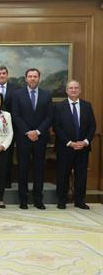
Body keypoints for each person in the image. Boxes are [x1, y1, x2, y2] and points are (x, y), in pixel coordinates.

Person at [12, 68, 53, 210]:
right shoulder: (17, 95)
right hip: (23, 138)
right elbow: (15, 115)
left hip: (40, 138)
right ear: (26, 79)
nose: (32, 79)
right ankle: (23, 199)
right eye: (30, 76)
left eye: (35, 76)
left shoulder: (46, 95)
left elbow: (49, 117)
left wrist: (37, 131)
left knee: (39, 169)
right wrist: (28, 132)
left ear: (39, 78)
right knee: (22, 169)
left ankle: (38, 199)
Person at [54, 80, 96, 210]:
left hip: (83, 148)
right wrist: (70, 143)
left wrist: (85, 142)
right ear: (66, 91)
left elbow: (92, 126)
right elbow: (56, 127)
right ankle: (62, 200)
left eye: (76, 88)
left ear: (80, 90)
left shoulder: (87, 106)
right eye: (71, 88)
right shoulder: (59, 107)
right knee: (63, 175)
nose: (73, 90)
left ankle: (79, 200)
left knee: (81, 175)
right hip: (65, 147)